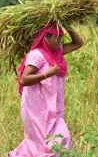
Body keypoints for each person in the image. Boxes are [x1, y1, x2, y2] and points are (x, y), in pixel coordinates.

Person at [8, 23, 83, 157]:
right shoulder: (37, 55)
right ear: (45, 38)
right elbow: (24, 79)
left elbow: (78, 43)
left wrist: (67, 25)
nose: (60, 41)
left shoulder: (57, 51)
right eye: (56, 37)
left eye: (61, 37)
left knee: (60, 138)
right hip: (36, 108)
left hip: (52, 106)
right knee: (40, 143)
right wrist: (48, 73)